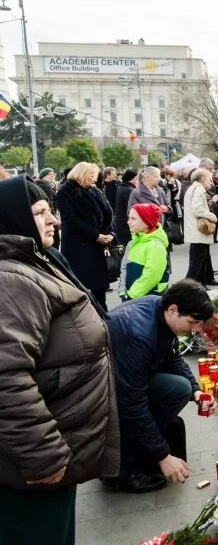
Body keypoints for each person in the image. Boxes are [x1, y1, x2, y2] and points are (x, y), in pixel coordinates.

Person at [0, 175, 119, 545]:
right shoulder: (11, 280)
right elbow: (5, 377)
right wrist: (45, 457)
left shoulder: (33, 261)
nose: (54, 219)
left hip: (54, 450)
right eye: (40, 212)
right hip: (34, 468)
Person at [105, 279, 215, 493]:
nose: (194, 330)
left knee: (182, 388)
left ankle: (145, 449)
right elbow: (131, 404)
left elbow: (171, 357)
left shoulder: (159, 308)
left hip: (131, 377)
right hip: (106, 391)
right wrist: (162, 456)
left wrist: (196, 390)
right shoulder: (139, 335)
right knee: (166, 395)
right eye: (192, 323)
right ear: (174, 310)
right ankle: (122, 470)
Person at [56, 162, 115, 309]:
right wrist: (96, 235)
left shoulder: (94, 191)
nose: (95, 178)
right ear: (81, 174)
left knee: (99, 290)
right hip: (79, 246)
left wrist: (110, 233)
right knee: (82, 288)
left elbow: (107, 214)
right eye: (92, 175)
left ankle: (103, 317)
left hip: (98, 245)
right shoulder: (66, 191)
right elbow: (71, 220)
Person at [121, 204, 170, 301]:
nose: (128, 222)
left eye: (133, 219)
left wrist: (132, 295)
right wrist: (122, 290)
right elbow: (124, 268)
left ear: (146, 222)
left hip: (148, 299)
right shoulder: (133, 242)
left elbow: (151, 275)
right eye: (129, 218)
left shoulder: (155, 246)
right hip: (132, 296)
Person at [184, 168, 218, 286]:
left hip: (196, 232)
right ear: (203, 179)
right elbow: (197, 209)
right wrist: (212, 216)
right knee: (196, 263)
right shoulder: (198, 190)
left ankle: (199, 286)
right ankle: (187, 289)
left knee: (199, 260)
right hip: (197, 231)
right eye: (209, 180)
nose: (211, 182)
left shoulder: (194, 189)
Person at [35, 168, 59, 247]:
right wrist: (54, 219)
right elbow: (49, 205)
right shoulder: (45, 186)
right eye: (50, 174)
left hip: (45, 219)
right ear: (43, 176)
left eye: (53, 174)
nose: (53, 176)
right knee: (54, 242)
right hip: (49, 219)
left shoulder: (43, 185)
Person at [114, 170, 138, 245]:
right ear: (132, 179)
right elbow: (131, 208)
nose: (137, 181)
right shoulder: (128, 190)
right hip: (126, 224)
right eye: (136, 179)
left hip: (122, 223)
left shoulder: (122, 188)